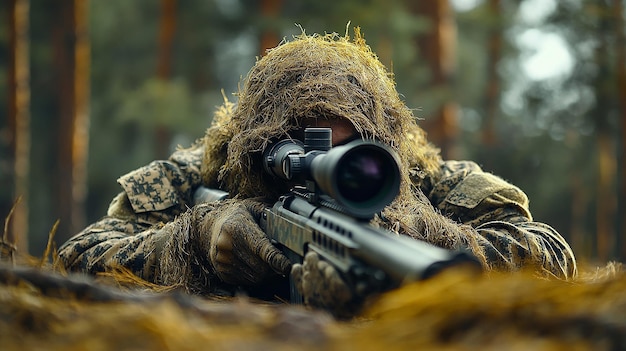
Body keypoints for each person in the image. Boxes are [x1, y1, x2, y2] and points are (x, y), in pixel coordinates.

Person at [58, 30, 577, 318]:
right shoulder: (204, 172)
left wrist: (425, 232)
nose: (315, 174)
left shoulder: (422, 178)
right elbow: (78, 254)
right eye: (294, 150)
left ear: (382, 143)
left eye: (346, 156)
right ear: (252, 146)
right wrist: (196, 240)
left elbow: (552, 255)